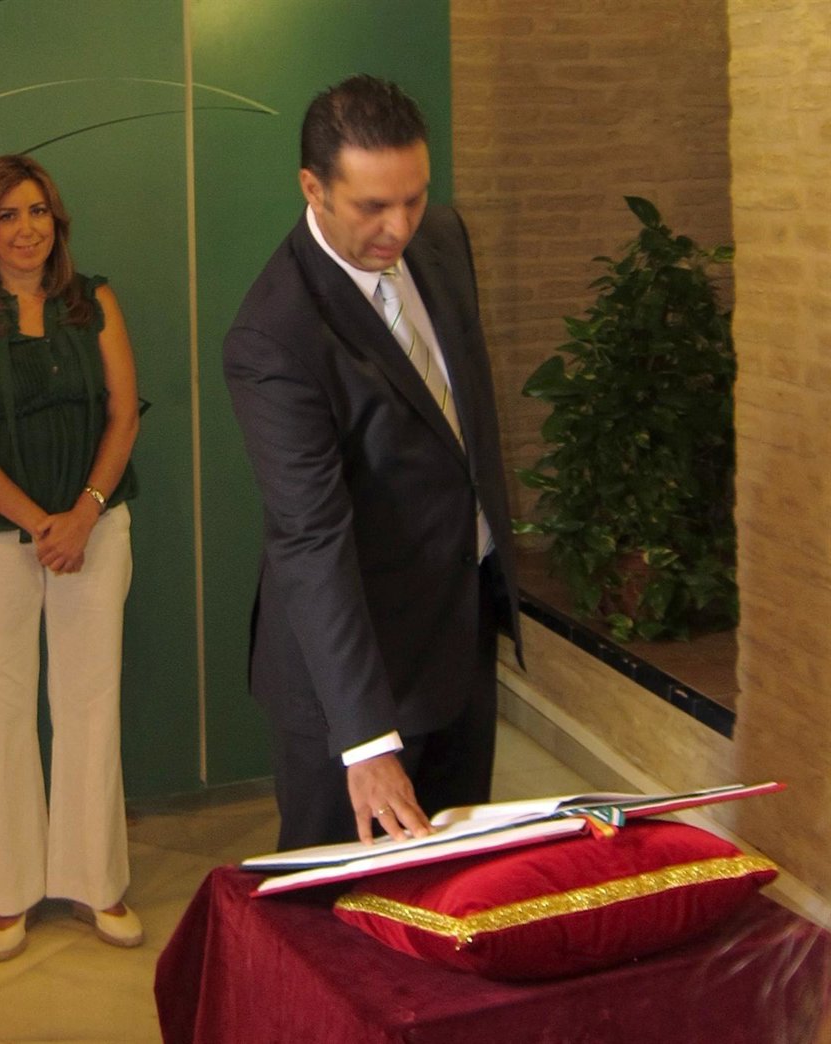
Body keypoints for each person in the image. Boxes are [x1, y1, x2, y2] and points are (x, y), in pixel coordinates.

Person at [223, 75, 523, 851]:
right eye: (372, 207)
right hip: (353, 684)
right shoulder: (275, 335)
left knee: (456, 884)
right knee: (338, 907)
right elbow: (310, 537)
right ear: (313, 188)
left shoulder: (443, 238)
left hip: (458, 634)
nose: (399, 227)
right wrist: (366, 741)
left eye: (414, 199)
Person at [0, 154, 142, 960]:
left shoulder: (95, 301)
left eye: (39, 212)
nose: (26, 229)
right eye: (9, 215)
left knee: (91, 700)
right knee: (2, 706)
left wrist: (83, 515)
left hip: (95, 530)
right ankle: (9, 891)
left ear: (58, 221)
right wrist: (41, 524)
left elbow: (124, 413)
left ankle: (95, 881)